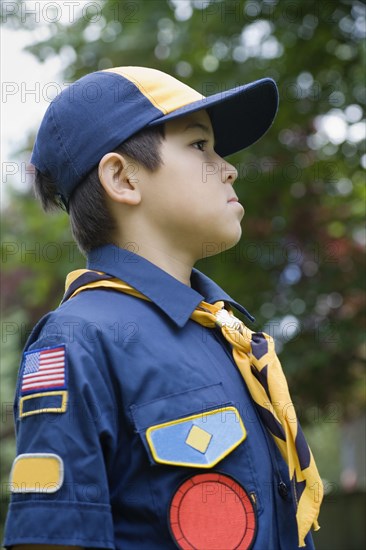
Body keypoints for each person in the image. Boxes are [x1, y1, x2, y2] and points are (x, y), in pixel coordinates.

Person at [4, 66, 323, 549]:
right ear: (123, 177)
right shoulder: (78, 340)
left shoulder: (228, 335)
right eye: (200, 146)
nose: (229, 167)